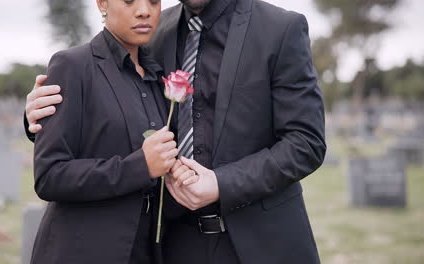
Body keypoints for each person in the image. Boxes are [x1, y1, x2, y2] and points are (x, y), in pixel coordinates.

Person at [25, 0, 327, 263]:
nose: (143, 9)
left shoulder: (281, 28)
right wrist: (40, 119)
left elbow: (306, 142)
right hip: (171, 245)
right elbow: (113, 99)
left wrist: (222, 183)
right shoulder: (153, 30)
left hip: (261, 244)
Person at [28, 0, 182, 263]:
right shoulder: (72, 66)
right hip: (83, 251)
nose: (144, 10)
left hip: (146, 249)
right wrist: (140, 167)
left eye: (154, 1)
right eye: (130, 1)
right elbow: (49, 176)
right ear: (103, 3)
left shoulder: (158, 78)